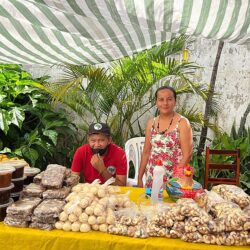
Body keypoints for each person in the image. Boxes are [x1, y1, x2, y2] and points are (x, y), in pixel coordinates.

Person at [137, 86, 193, 193]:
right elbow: (146, 152)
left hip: (174, 177)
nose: (165, 103)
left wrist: (173, 179)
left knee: (170, 208)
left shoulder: (182, 123)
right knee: (151, 207)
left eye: (169, 99)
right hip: (152, 175)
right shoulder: (151, 123)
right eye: (161, 99)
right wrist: (139, 178)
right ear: (156, 102)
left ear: (175, 101)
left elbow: (187, 155)